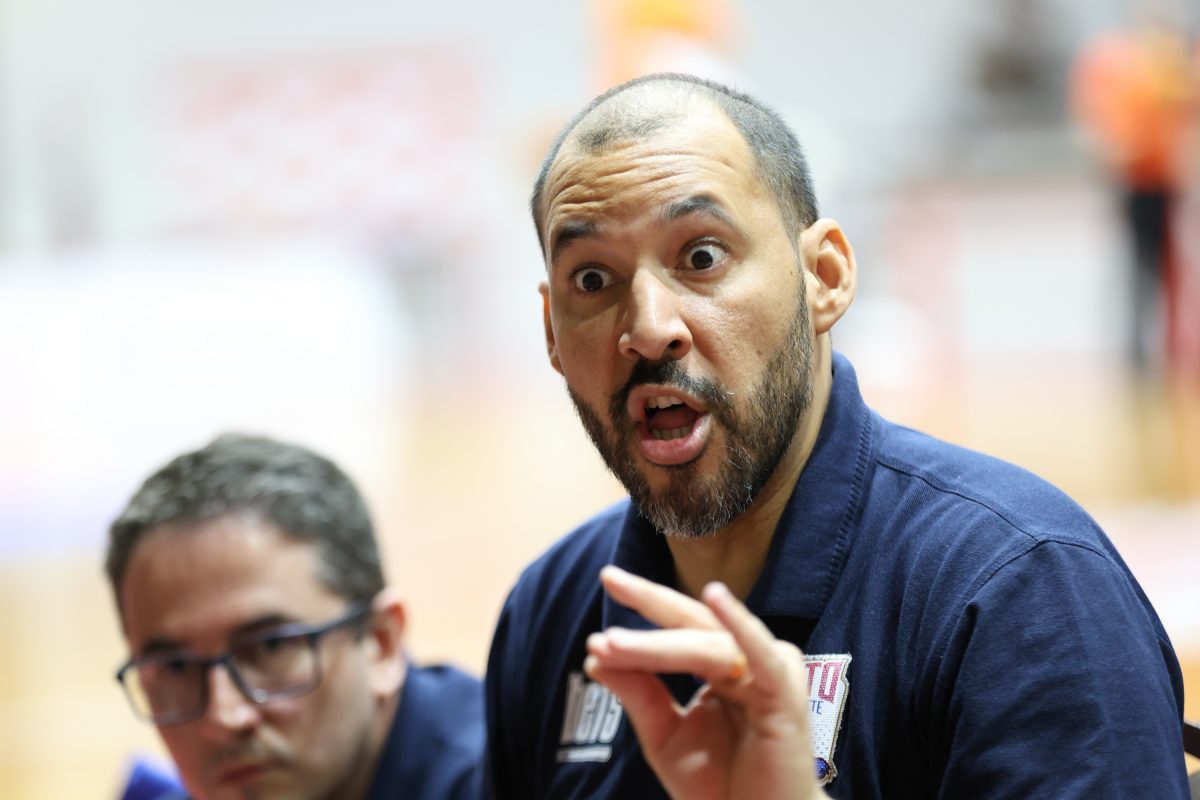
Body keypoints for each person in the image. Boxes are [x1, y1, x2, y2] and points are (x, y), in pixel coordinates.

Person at [485, 72, 1190, 798]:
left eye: (701, 257)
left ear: (824, 277)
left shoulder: (1021, 589)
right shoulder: (551, 609)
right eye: (592, 279)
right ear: (551, 333)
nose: (648, 327)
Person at [106, 433, 484, 800]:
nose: (224, 717)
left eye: (270, 646)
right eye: (175, 668)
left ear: (380, 643)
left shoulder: (499, 777)